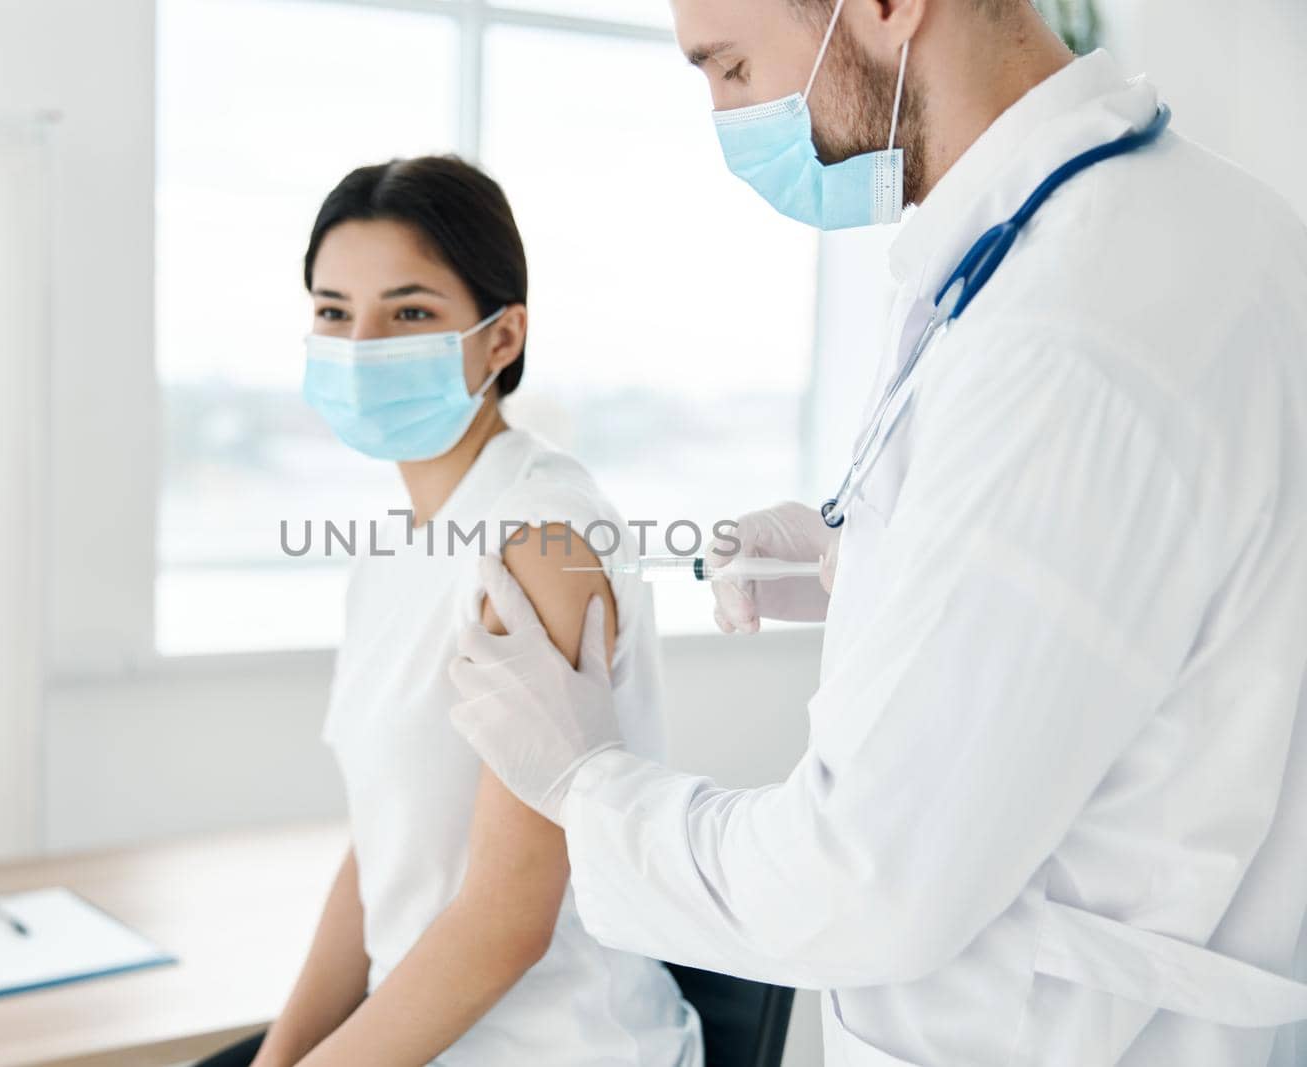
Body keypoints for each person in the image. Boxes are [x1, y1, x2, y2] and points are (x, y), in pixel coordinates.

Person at [448, 1, 1307, 1065]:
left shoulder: (1064, 335)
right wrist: (874, 557)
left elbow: (860, 880)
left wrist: (588, 785)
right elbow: (1150, 594)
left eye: (728, 65)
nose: (726, 116)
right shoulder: (1185, 224)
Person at [198, 156, 702, 1067]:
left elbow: (505, 924)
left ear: (501, 337)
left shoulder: (541, 536)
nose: (362, 345)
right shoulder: (394, 554)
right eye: (333, 312)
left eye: (411, 312)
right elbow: (381, 853)